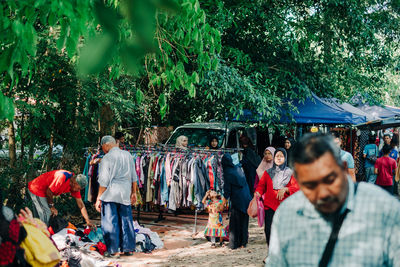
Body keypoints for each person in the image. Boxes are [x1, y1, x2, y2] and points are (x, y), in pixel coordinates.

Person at [266, 133, 400, 266]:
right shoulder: (287, 214)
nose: (322, 193)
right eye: (310, 185)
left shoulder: (385, 210)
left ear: (343, 168)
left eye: (329, 180)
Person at [95, 135, 138, 258]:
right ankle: (128, 248)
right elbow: (133, 176)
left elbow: (103, 181)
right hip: (125, 192)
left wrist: (99, 198)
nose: (102, 149)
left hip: (111, 194)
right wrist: (133, 192)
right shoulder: (128, 155)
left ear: (106, 145)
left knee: (110, 221)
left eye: (102, 147)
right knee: (126, 220)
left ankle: (113, 250)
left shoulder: (107, 158)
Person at [254, 148, 299, 245]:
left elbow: (297, 188)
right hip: (269, 206)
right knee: (269, 231)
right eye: (277, 156)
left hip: (284, 207)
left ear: (285, 158)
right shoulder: (267, 172)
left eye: (281, 156)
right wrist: (258, 192)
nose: (279, 158)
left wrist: (286, 189)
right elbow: (261, 186)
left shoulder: (290, 173)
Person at [28, 170, 94, 227]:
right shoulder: (63, 177)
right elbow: (49, 191)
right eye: (79, 188)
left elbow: (81, 205)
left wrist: (87, 221)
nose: (78, 190)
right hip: (37, 188)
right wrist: (52, 206)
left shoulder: (75, 187)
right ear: (75, 182)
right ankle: (45, 236)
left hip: (44, 191)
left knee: (39, 219)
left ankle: (36, 236)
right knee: (47, 214)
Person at [221, 154, 252, 249]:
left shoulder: (228, 172)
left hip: (237, 200)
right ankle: (243, 242)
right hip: (246, 197)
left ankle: (234, 243)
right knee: (244, 220)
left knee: (235, 222)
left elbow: (227, 191)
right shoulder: (237, 168)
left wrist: (222, 204)